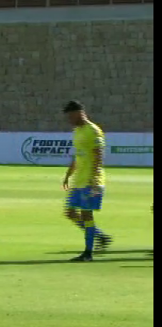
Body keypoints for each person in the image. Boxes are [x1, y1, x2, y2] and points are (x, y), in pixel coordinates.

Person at [61, 100, 111, 262]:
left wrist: (95, 178)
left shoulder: (93, 131)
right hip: (79, 180)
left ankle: (88, 253)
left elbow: (99, 155)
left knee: (86, 215)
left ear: (79, 113)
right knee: (70, 213)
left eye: (70, 115)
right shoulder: (77, 131)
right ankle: (99, 235)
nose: (69, 119)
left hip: (90, 180)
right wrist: (69, 174)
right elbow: (78, 155)